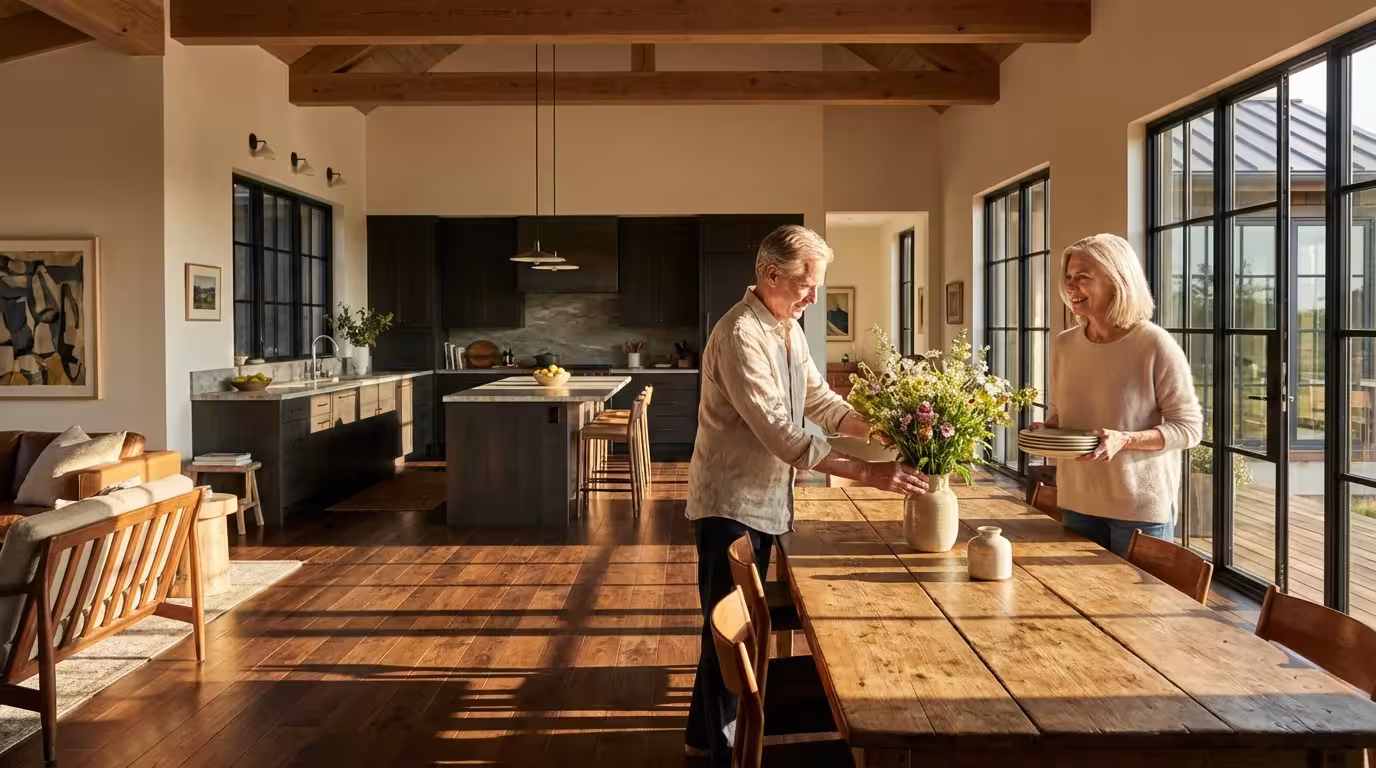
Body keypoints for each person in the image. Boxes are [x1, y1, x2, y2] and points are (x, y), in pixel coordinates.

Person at [684, 225, 927, 762]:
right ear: (771, 275)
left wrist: (884, 428)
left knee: (729, 627)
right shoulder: (740, 335)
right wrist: (870, 474)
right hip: (731, 501)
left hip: (763, 497)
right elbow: (781, 434)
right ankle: (725, 753)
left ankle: (700, 739)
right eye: (806, 285)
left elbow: (819, 400)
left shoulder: (787, 328)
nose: (814, 297)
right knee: (731, 636)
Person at [1031, 233, 1203, 556]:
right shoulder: (1064, 346)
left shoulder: (1155, 345)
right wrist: (1048, 430)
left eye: (1083, 277)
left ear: (1117, 280)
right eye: (1068, 277)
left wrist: (1124, 439)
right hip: (1077, 501)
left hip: (1139, 511)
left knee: (1141, 608)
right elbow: (1061, 414)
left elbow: (1189, 429)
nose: (1071, 286)